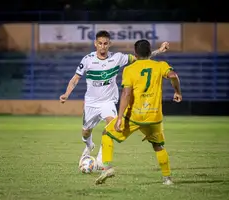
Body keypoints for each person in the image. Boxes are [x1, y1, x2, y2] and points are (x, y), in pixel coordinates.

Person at [59, 30, 169, 168]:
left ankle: (101, 161)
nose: (103, 46)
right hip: (91, 103)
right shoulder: (87, 60)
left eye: (105, 43)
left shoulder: (117, 58)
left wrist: (159, 50)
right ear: (95, 44)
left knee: (110, 128)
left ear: (109, 44)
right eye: (100, 43)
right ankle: (89, 145)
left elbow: (142, 58)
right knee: (86, 132)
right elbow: (75, 79)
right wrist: (66, 93)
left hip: (109, 101)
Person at [95, 39, 182, 185]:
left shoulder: (130, 69)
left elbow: (126, 94)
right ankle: (167, 179)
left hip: (134, 116)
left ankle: (107, 167)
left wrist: (120, 117)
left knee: (106, 134)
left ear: (135, 53)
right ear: (149, 52)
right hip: (154, 116)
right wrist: (177, 92)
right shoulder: (160, 65)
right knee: (158, 146)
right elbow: (173, 76)